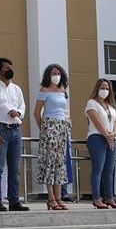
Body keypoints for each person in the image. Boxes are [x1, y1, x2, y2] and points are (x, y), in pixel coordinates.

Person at [0, 57, 26, 211]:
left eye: (10, 67)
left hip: (15, 129)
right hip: (0, 129)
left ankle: (14, 200)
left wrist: (19, 113)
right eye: (6, 68)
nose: (10, 70)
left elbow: (23, 105)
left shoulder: (16, 89)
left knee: (15, 168)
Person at [33, 64, 72, 211]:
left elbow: (64, 109)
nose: (56, 75)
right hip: (50, 125)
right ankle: (50, 198)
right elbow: (37, 112)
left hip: (62, 126)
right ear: (48, 75)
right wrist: (42, 128)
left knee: (60, 163)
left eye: (58, 73)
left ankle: (59, 197)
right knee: (49, 162)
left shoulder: (63, 90)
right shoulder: (44, 90)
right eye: (53, 73)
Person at [84, 79, 116, 209]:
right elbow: (96, 120)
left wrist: (114, 133)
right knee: (98, 168)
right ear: (97, 89)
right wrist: (106, 135)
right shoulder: (92, 103)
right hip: (97, 138)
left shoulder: (111, 106)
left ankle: (109, 197)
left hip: (111, 139)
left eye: (107, 88)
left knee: (109, 169)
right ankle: (96, 197)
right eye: (102, 88)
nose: (104, 91)